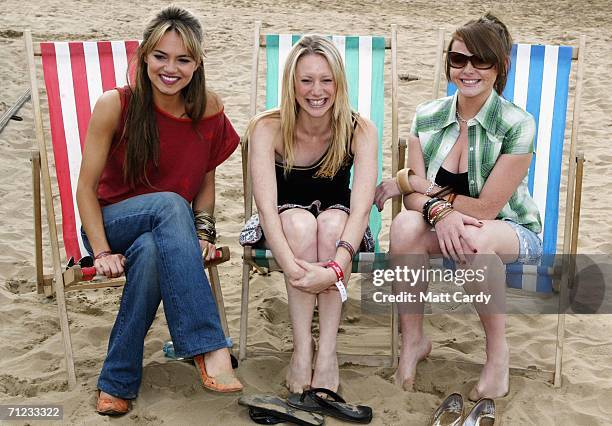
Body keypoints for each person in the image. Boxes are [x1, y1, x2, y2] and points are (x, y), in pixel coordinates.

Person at [76, 6, 243, 416]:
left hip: (170, 235)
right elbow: (84, 191)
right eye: (160, 56)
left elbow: (206, 181)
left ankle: (116, 382)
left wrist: (202, 233)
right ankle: (207, 345)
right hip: (110, 223)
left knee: (152, 251)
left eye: (183, 59)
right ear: (144, 56)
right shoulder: (115, 105)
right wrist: (101, 252)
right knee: (170, 203)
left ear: (197, 63)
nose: (171, 69)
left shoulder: (209, 110)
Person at [374, 13, 542, 400]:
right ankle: (413, 342)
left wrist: (419, 186)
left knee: (474, 237)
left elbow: (486, 208)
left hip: (511, 231)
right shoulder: (428, 116)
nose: (468, 70)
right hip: (445, 225)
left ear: (499, 67)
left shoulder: (518, 123)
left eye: (480, 60)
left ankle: (497, 356)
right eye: (458, 59)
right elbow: (414, 201)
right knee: (402, 227)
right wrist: (438, 210)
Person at [240, 35, 378, 393]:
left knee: (332, 223)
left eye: (326, 80)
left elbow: (361, 208)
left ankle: (327, 351)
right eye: (306, 80)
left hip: (341, 231)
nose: (317, 91)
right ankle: (303, 349)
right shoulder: (267, 127)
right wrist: (293, 267)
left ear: (338, 84)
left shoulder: (359, 129)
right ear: (292, 84)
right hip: (284, 228)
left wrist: (334, 269)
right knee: (300, 223)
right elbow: (266, 208)